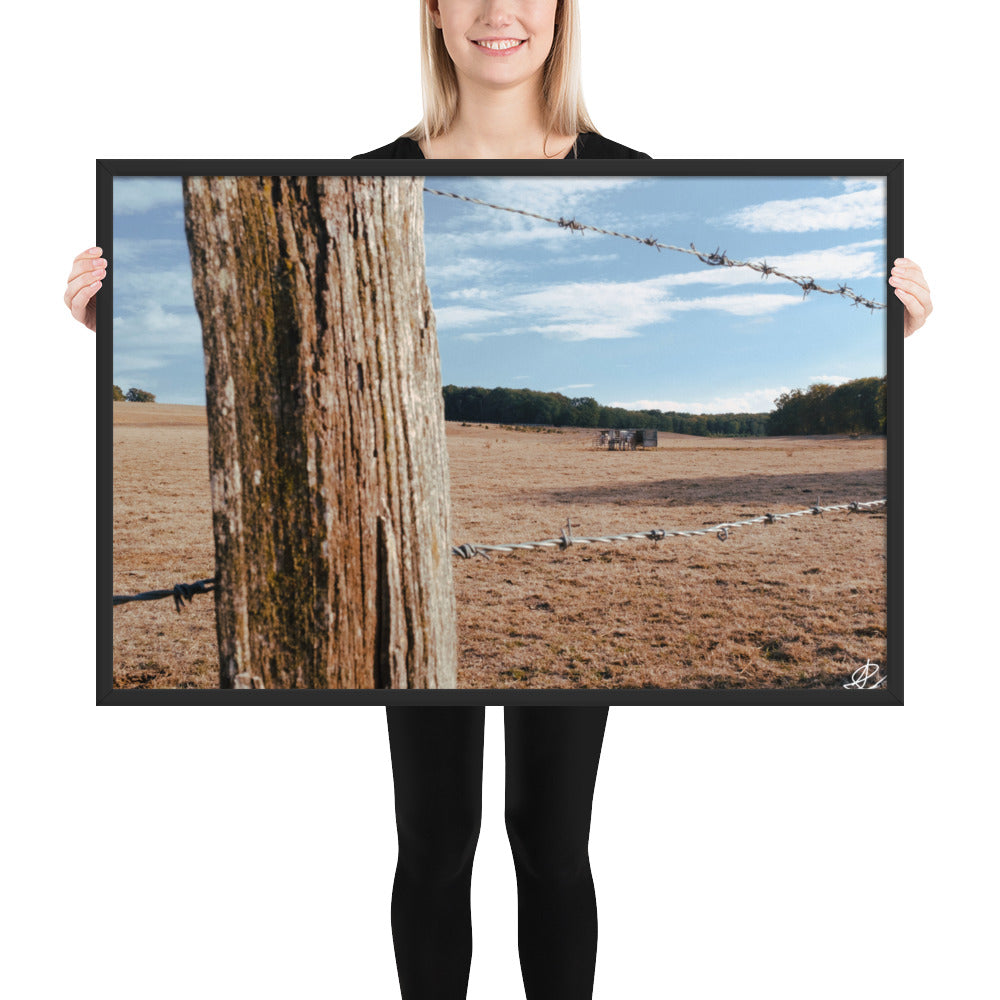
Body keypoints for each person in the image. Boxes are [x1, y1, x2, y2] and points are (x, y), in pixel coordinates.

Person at [65, 3, 933, 998]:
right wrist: (113, 333)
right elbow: (279, 348)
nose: (495, 12)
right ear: (429, 13)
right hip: (386, 561)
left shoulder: (636, 171)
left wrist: (886, 347)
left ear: (564, 13)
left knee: (553, 842)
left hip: (482, 584)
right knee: (434, 844)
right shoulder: (348, 182)